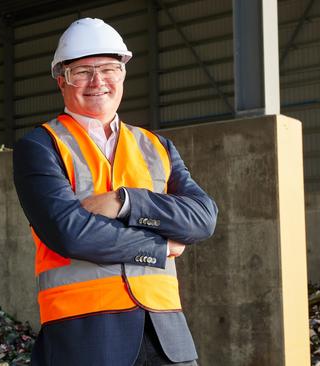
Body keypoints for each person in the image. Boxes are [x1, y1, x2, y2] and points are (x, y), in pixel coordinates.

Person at [13, 18, 218, 366]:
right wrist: (159, 246)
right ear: (61, 79)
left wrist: (127, 201)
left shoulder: (157, 146)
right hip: (85, 335)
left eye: (108, 68)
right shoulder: (40, 146)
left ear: (122, 74)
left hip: (167, 337)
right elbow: (71, 233)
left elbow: (202, 218)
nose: (97, 82)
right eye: (82, 71)